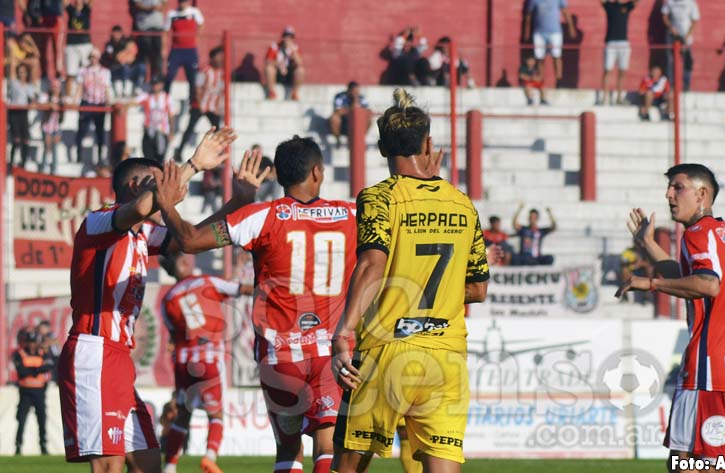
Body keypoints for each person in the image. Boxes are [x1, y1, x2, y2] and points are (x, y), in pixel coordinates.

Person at [152, 136, 357, 473]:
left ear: (276, 175)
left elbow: (188, 241)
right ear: (317, 172)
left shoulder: (261, 216)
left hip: (280, 357)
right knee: (326, 443)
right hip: (328, 353)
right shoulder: (351, 214)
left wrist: (166, 204)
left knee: (288, 447)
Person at [55, 127, 253, 472]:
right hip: (94, 352)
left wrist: (238, 202)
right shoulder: (100, 221)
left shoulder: (142, 234)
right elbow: (148, 205)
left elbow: (192, 237)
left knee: (148, 464)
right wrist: (192, 164)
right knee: (108, 467)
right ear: (135, 187)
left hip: (117, 358)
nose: (173, 190)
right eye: (161, 181)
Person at [331, 88, 490, 473]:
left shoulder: (380, 198)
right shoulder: (462, 202)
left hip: (389, 348)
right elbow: (479, 289)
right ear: (428, 142)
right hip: (448, 356)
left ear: (383, 149)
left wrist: (342, 333)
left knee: (347, 465)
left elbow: (372, 265)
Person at [616, 164, 725, 471]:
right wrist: (648, 244)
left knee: (686, 463)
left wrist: (650, 283)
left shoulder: (697, 233)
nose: (668, 194)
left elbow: (708, 284)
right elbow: (689, 278)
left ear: (702, 194)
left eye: (677, 187)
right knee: (720, 464)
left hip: (709, 367)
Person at [159, 252, 252, 473]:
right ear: (185, 261)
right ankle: (210, 457)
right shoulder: (208, 282)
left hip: (183, 360)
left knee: (182, 415)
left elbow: (173, 337)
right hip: (208, 356)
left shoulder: (168, 299)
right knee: (216, 414)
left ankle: (169, 467)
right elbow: (240, 288)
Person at [174, 46, 225, 162]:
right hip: (200, 105)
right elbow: (197, 88)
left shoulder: (222, 73)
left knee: (218, 131)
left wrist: (218, 107)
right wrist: (199, 103)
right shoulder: (205, 71)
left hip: (212, 107)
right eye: (218, 57)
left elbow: (222, 92)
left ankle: (219, 153)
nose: (221, 59)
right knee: (190, 128)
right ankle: (179, 151)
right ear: (212, 58)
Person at [14, 331, 52, 456]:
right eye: (30, 342)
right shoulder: (20, 354)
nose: (32, 345)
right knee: (21, 419)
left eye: (34, 342)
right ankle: (18, 445)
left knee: (42, 419)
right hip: (25, 392)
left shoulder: (42, 353)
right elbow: (21, 371)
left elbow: (49, 366)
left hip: (39, 392)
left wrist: (33, 370)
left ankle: (43, 445)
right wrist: (37, 370)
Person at [74, 48, 111, 170]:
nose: (93, 59)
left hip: (100, 103)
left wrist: (109, 101)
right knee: (82, 131)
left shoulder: (105, 71)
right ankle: (78, 155)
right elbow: (80, 87)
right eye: (91, 57)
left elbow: (106, 89)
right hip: (86, 103)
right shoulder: (83, 71)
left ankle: (100, 156)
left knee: (99, 132)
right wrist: (75, 100)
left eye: (95, 57)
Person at [523, 0, 576, 86]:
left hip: (555, 32)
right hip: (539, 33)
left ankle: (559, 81)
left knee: (557, 56)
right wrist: (526, 32)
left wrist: (571, 27)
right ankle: (541, 80)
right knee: (540, 58)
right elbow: (528, 16)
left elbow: (565, 12)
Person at [601, 0, 639, 105]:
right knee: (608, 70)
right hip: (611, 42)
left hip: (623, 43)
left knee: (622, 71)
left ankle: (619, 97)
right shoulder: (609, 6)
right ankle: (604, 97)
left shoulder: (626, 6)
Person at [165, 0, 203, 99]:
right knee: (169, 76)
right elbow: (165, 31)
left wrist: (197, 39)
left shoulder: (194, 12)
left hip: (190, 50)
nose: (183, 4)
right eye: (181, 1)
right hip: (176, 50)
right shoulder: (172, 14)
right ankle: (165, 99)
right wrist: (163, 48)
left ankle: (192, 101)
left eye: (185, 1)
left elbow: (201, 25)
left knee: (192, 78)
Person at [133, 75, 176, 163]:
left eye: (157, 84)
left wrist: (171, 132)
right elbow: (133, 102)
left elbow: (171, 116)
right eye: (153, 84)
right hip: (149, 131)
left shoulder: (167, 98)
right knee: (148, 159)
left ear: (161, 85)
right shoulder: (147, 96)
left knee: (160, 159)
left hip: (162, 132)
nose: (155, 86)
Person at [660, 0, 699, 92]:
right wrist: (671, 28)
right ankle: (671, 86)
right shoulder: (669, 2)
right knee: (670, 62)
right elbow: (664, 16)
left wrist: (687, 36)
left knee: (687, 62)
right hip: (672, 36)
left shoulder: (690, 2)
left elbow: (695, 20)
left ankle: (686, 85)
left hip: (685, 37)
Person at [7, 62, 38, 169]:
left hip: (23, 112)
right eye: (20, 72)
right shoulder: (13, 83)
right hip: (14, 112)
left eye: (23, 72)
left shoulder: (29, 86)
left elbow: (33, 99)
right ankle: (11, 163)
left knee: (25, 139)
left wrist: (33, 101)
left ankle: (23, 163)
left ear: (26, 73)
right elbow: (11, 67)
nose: (21, 74)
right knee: (16, 139)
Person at [102, 25, 143, 98]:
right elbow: (112, 57)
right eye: (115, 33)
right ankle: (123, 91)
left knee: (141, 67)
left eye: (118, 33)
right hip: (115, 68)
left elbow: (132, 54)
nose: (117, 35)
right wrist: (121, 57)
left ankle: (137, 88)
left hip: (129, 67)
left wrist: (124, 57)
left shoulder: (126, 42)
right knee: (123, 67)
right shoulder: (109, 45)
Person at [265, 26, 304, 100]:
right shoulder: (275, 47)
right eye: (286, 36)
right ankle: (271, 92)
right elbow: (268, 61)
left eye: (290, 37)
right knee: (269, 69)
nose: (288, 39)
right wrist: (279, 65)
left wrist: (293, 51)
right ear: (283, 37)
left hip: (290, 74)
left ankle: (294, 92)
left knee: (300, 70)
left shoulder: (295, 48)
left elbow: (300, 63)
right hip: (277, 73)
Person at [64, 0, 93, 98]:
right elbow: (65, 2)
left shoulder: (86, 9)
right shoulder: (71, 10)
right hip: (72, 45)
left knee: (88, 71)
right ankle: (69, 97)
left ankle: (88, 95)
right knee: (70, 73)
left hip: (85, 44)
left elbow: (92, 3)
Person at [329, 81, 370, 148]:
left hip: (356, 123)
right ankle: (338, 139)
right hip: (343, 123)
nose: (356, 93)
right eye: (354, 91)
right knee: (334, 118)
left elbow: (366, 111)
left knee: (368, 119)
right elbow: (337, 112)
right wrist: (352, 109)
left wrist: (356, 103)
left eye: (357, 91)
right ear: (349, 90)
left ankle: (360, 139)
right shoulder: (340, 96)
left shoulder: (361, 98)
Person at [131, 0, 166, 78]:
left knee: (157, 54)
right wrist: (149, 8)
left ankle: (157, 79)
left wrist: (159, 7)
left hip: (157, 26)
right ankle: (144, 77)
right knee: (145, 53)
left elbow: (165, 3)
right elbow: (136, 4)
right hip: (144, 27)